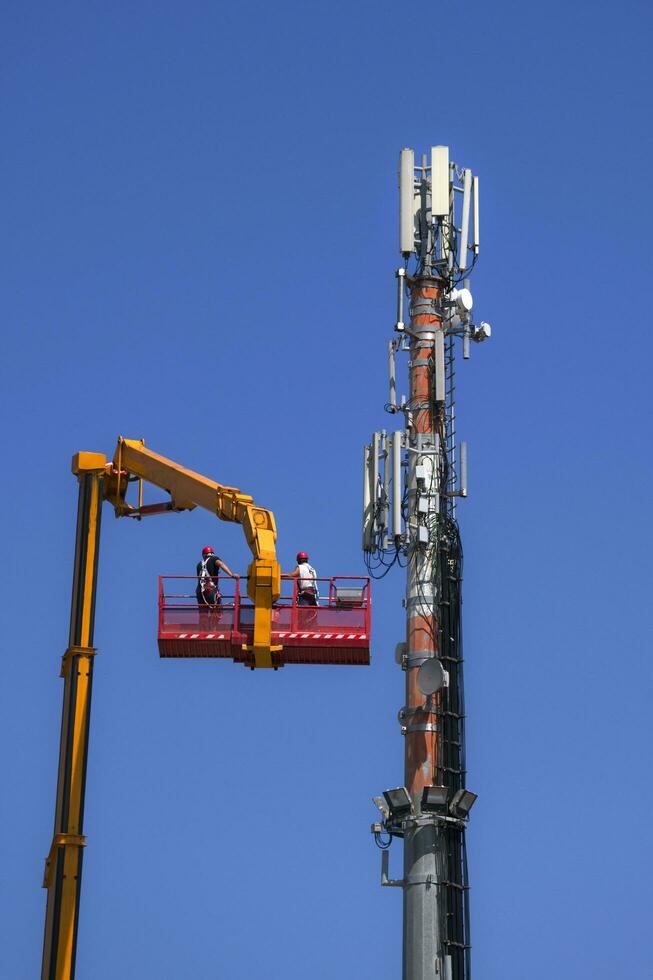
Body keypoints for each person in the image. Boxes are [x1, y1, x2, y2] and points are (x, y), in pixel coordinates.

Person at [196, 546, 235, 612]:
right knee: (216, 612)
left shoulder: (199, 564)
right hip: (209, 589)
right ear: (212, 553)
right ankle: (214, 622)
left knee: (203, 615)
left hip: (199, 591)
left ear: (203, 555)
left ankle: (204, 622)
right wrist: (231, 574)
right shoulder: (214, 559)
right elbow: (221, 564)